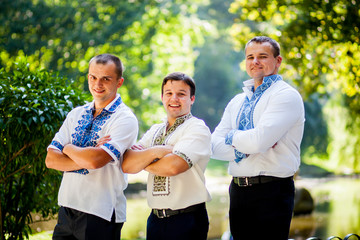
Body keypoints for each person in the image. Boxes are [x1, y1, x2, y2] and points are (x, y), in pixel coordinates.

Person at [211, 36, 305, 240]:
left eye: (262, 56)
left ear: (278, 61)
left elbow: (259, 141)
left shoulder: (285, 96)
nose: (255, 62)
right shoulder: (237, 101)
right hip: (238, 190)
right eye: (250, 57)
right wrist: (248, 143)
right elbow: (214, 146)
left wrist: (232, 136)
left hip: (272, 190)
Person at [45, 54, 138, 239]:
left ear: (119, 82)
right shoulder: (75, 114)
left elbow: (95, 161)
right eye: (93, 77)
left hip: (100, 212)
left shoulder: (125, 119)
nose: (98, 84)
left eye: (106, 79)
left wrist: (67, 147)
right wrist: (87, 153)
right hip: (67, 209)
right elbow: (50, 160)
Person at [122, 72, 212, 240]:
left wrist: (143, 160)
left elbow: (173, 166)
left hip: (187, 219)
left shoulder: (197, 128)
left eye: (181, 94)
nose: (174, 99)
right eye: (169, 93)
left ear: (192, 99)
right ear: (162, 97)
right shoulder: (155, 129)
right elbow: (127, 164)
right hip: (155, 220)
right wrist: (159, 152)